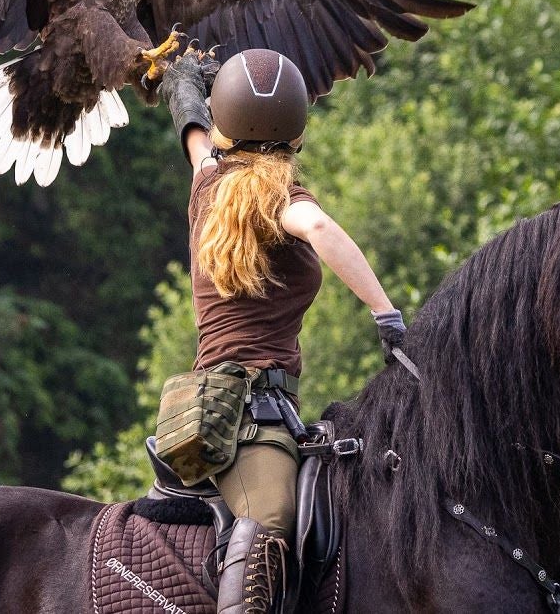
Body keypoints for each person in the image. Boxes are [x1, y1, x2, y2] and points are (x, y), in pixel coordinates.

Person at [156, 46, 406, 614]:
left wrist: (183, 93)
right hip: (243, 417)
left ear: (226, 124)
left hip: (251, 406)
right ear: (296, 130)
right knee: (270, 522)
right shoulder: (282, 199)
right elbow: (316, 225)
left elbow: (197, 143)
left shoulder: (207, 186)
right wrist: (385, 313)